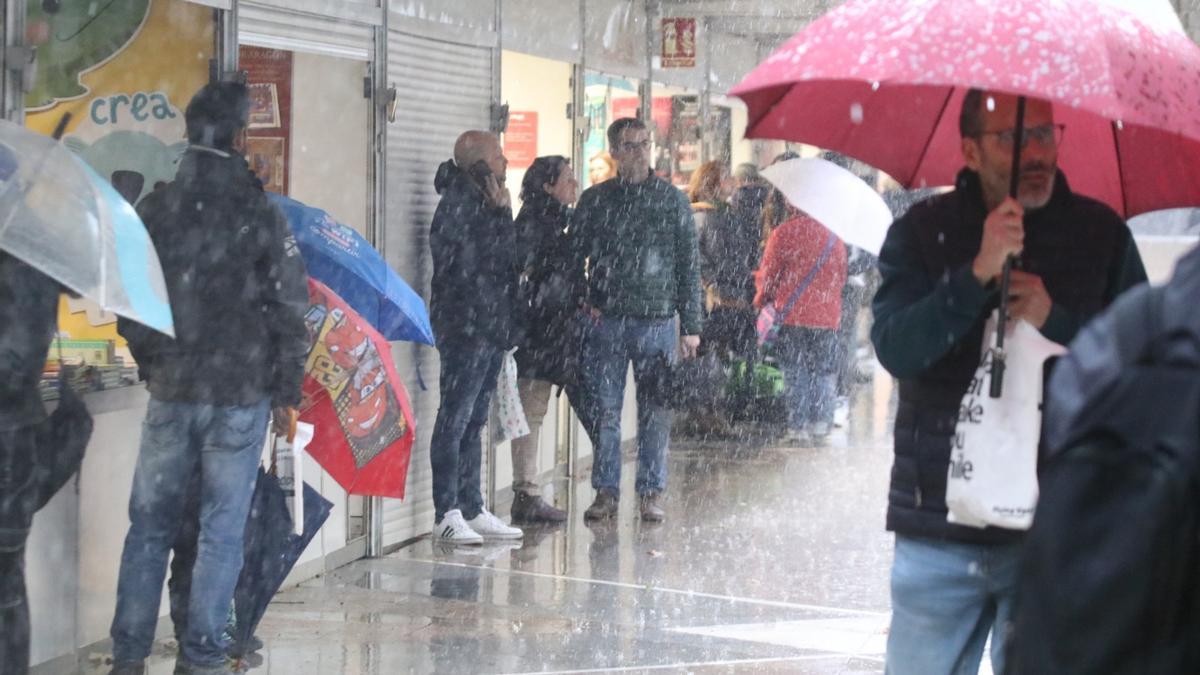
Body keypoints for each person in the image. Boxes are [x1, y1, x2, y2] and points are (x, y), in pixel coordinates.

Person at [871, 89, 1147, 674]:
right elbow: (897, 349)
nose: (1036, 152)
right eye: (1014, 139)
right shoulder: (924, 232)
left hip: (1058, 531)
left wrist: (1059, 321)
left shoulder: (1101, 237)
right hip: (939, 526)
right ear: (969, 150)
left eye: (1045, 136)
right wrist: (974, 277)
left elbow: (1144, 366)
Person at [108, 82, 310, 675]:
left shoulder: (158, 206)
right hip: (239, 395)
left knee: (149, 527)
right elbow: (288, 308)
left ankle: (128, 655)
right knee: (222, 532)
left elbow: (130, 299)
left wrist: (154, 360)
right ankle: (201, 656)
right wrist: (285, 392)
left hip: (172, 390)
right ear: (240, 136)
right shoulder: (259, 213)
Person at [569, 117, 703, 522]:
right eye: (630, 145)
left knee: (655, 413)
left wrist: (692, 327)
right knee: (606, 412)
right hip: (607, 321)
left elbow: (688, 266)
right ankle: (607, 491)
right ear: (614, 152)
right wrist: (583, 298)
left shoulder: (672, 200)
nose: (640, 152)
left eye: (644, 144)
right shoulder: (596, 201)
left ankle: (651, 492)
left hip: (658, 321)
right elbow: (574, 257)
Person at [428, 130, 524, 544]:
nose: (505, 164)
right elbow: (479, 265)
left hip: (489, 327)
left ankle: (471, 504)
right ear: (479, 165)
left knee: (475, 421)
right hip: (464, 328)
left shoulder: (488, 205)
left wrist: (502, 214)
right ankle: (446, 511)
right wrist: (498, 217)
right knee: (455, 418)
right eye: (499, 157)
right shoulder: (457, 205)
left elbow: (510, 262)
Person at [0, 254, 91, 675]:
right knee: (8, 588)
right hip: (14, 448)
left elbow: (14, 364)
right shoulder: (35, 263)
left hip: (11, 444)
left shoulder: (30, 267)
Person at [509, 155, 578, 523]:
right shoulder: (539, 224)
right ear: (548, 186)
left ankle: (528, 489)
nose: (574, 184)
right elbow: (533, 280)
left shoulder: (549, 221)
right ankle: (526, 491)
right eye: (567, 178)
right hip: (538, 334)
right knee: (530, 411)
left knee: (532, 410)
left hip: (545, 333)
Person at [754, 205, 848, 443]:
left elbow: (769, 275)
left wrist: (762, 298)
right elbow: (842, 276)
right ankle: (820, 423)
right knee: (822, 370)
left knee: (795, 371)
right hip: (827, 317)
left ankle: (798, 427)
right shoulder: (834, 237)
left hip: (792, 313)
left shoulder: (784, 233)